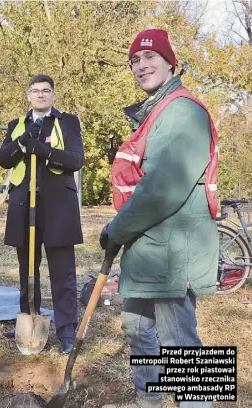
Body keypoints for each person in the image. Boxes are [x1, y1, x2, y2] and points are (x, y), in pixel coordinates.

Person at [100, 29, 218, 408]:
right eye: (134, 60)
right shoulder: (156, 111)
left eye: (150, 57)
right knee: (136, 328)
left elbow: (163, 188)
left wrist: (116, 229)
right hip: (147, 248)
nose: (141, 65)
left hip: (172, 251)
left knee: (180, 341)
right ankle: (146, 401)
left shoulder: (184, 111)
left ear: (170, 62)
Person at [0, 74, 84, 355]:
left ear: (53, 95)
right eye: (35, 91)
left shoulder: (67, 122)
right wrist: (21, 144)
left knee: (62, 273)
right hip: (25, 208)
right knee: (27, 270)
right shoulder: (16, 125)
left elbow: (76, 159)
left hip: (58, 208)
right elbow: (3, 158)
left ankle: (67, 330)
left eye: (46, 91)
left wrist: (45, 151)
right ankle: (29, 317)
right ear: (28, 95)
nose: (40, 95)